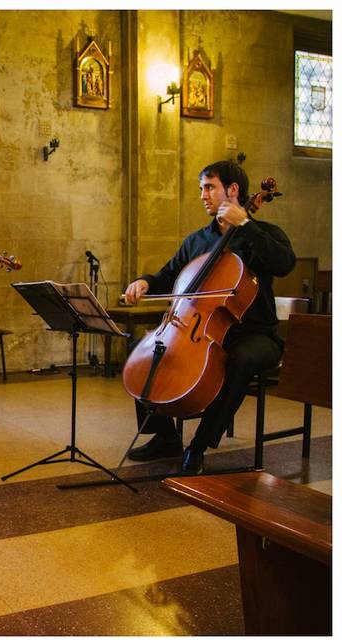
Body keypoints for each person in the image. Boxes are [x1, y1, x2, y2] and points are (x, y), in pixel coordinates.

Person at [122, 160, 295, 474]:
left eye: (209, 187)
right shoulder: (197, 241)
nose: (202, 195)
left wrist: (247, 224)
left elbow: (284, 263)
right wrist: (145, 281)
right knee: (148, 349)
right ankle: (165, 436)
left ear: (232, 190)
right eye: (201, 188)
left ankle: (199, 445)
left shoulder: (264, 234)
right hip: (203, 329)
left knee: (240, 359)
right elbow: (168, 275)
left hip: (255, 333)